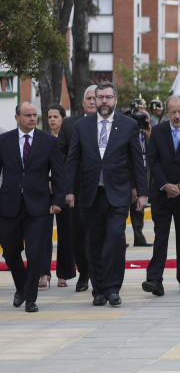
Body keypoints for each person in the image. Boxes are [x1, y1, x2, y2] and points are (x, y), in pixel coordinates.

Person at [65, 82, 148, 307]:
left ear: (115, 99)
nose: (103, 101)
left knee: (115, 238)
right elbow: (73, 159)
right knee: (94, 242)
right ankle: (98, 290)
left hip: (118, 193)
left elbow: (137, 161)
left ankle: (113, 288)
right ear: (94, 99)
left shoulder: (129, 125)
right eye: (99, 97)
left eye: (108, 97)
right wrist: (69, 190)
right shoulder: (82, 126)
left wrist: (142, 192)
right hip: (90, 194)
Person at [0, 103, 67, 312]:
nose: (32, 118)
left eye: (34, 115)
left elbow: (59, 173)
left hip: (39, 206)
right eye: (27, 115)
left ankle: (30, 298)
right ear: (17, 117)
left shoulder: (48, 141)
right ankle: (21, 286)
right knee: (10, 252)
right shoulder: (4, 140)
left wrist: (57, 200)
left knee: (36, 252)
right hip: (9, 205)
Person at [142, 95, 180, 296]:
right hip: (162, 194)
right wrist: (165, 184)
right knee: (161, 236)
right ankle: (155, 279)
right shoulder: (158, 132)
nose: (177, 116)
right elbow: (153, 160)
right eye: (173, 112)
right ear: (167, 112)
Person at [59, 85, 96, 293]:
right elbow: (61, 156)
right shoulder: (70, 125)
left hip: (102, 188)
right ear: (82, 102)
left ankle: (100, 272)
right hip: (77, 189)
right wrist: (65, 187)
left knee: (101, 233)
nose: (92, 101)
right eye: (88, 98)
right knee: (78, 234)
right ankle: (84, 272)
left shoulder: (111, 124)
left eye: (95, 98)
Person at [41, 104, 74, 288]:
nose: (52, 120)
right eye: (50, 117)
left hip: (64, 191)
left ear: (63, 118)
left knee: (66, 233)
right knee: (42, 233)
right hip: (45, 191)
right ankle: (43, 273)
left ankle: (64, 274)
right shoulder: (43, 139)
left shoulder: (70, 138)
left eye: (56, 116)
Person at [127, 96, 152, 247]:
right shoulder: (127, 130)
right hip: (130, 174)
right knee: (124, 207)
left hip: (144, 171)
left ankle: (139, 236)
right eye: (138, 112)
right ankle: (120, 238)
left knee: (139, 208)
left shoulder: (146, 132)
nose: (140, 117)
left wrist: (148, 130)